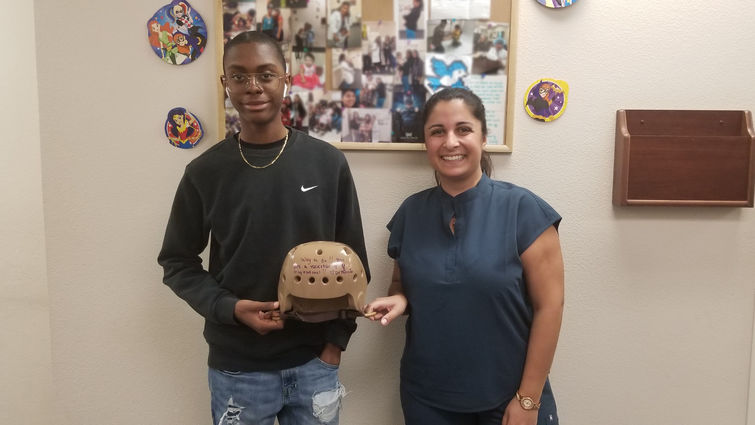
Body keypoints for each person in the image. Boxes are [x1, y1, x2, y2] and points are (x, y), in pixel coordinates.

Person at [158, 31, 370, 425]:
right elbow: (177, 261)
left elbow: (354, 262)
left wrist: (335, 345)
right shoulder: (205, 172)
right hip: (238, 368)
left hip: (314, 362)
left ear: (285, 79)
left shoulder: (327, 163)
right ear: (225, 84)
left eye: (266, 74)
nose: (252, 86)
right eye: (238, 76)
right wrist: (231, 309)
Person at [365, 87, 564, 425]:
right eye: (437, 132)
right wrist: (400, 300)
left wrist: (528, 400)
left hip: (510, 398)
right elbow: (401, 283)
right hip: (427, 400)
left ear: (483, 137)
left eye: (463, 129)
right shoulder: (411, 214)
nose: (450, 142)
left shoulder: (523, 210)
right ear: (426, 142)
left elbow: (550, 307)